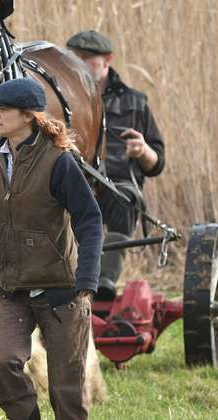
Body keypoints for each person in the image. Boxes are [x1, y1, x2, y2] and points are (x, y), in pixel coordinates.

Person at [0, 77, 103, 420]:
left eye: (3, 109)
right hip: (9, 289)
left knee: (67, 390)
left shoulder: (59, 161)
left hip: (61, 291)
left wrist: (87, 278)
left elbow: (90, 219)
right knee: (5, 366)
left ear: (28, 116)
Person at [66, 30, 165, 300]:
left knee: (123, 200)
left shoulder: (135, 102)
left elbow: (157, 162)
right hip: (74, 185)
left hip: (118, 185)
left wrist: (143, 151)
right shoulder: (62, 101)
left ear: (106, 60)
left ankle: (102, 282)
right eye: (73, 58)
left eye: (86, 58)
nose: (78, 64)